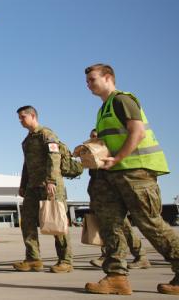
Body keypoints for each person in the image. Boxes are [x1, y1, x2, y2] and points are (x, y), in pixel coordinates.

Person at [83, 64, 179, 295]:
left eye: (92, 79)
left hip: (136, 172)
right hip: (113, 175)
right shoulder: (104, 108)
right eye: (87, 81)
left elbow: (137, 132)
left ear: (108, 78)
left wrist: (117, 158)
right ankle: (116, 277)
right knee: (111, 225)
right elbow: (113, 140)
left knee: (150, 224)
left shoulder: (122, 100)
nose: (88, 84)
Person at [13, 105, 73, 273]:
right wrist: (23, 185)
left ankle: (65, 261)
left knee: (57, 222)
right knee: (27, 221)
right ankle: (33, 259)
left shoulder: (46, 134)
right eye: (19, 118)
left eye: (22, 117)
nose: (20, 121)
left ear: (33, 116)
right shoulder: (27, 140)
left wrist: (52, 180)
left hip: (50, 185)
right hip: (33, 186)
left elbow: (54, 157)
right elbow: (26, 165)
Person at [83, 129, 150, 270]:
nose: (92, 139)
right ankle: (109, 255)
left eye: (95, 137)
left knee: (121, 226)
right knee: (107, 227)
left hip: (111, 196)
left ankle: (139, 255)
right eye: (91, 137)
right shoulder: (94, 153)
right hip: (99, 195)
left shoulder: (109, 154)